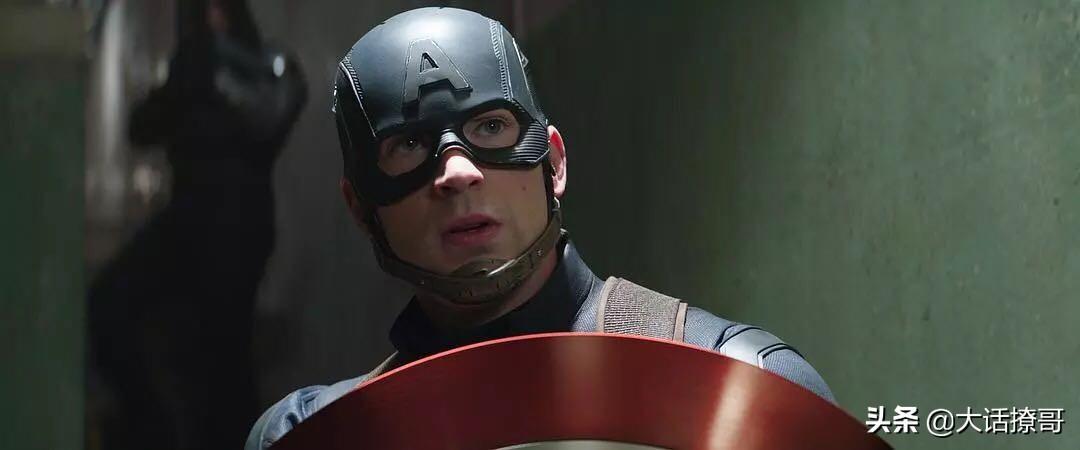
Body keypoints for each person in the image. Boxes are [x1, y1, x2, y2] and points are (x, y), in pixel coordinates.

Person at [246, 7, 832, 449]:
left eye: (490, 127)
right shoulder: (315, 433)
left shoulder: (739, 383)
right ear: (360, 207)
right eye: (409, 146)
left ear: (552, 162)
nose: (457, 172)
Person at [88, 1, 306, 449]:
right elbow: (143, 126)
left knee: (223, 360)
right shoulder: (207, 65)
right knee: (202, 353)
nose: (208, 18)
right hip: (207, 224)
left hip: (228, 227)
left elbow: (271, 118)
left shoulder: (254, 69)